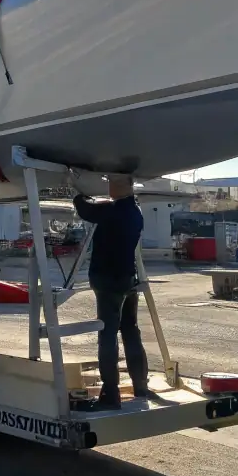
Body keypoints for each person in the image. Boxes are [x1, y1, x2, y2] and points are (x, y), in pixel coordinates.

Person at [72, 174, 154, 409]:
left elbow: (86, 211)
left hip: (108, 282)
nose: (109, 187)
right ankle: (140, 385)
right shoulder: (134, 211)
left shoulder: (113, 212)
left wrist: (76, 194)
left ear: (122, 186)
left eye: (112, 183)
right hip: (127, 280)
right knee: (130, 330)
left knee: (107, 335)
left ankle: (111, 394)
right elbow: (99, 210)